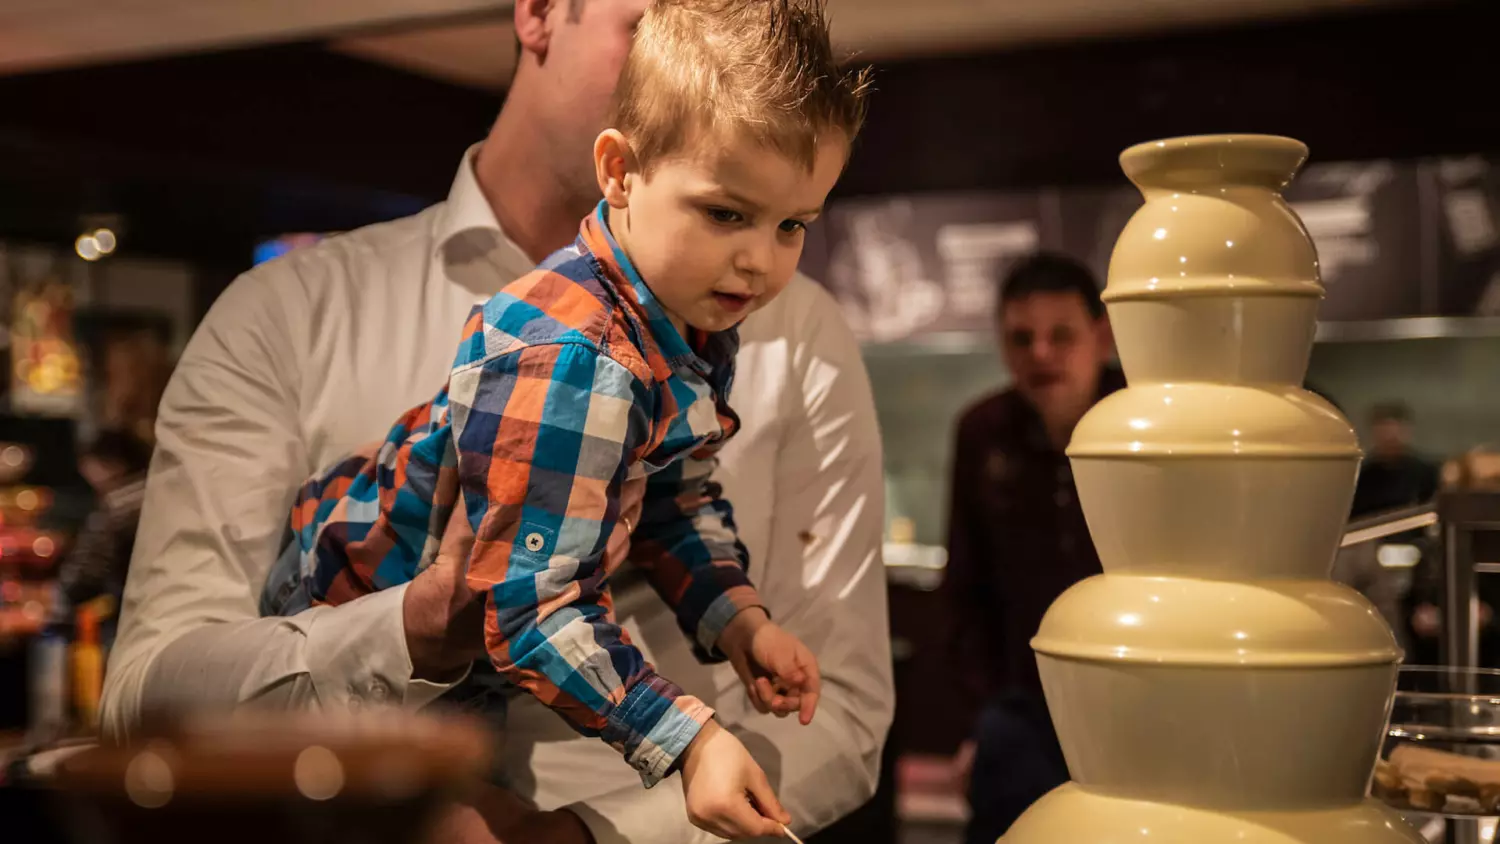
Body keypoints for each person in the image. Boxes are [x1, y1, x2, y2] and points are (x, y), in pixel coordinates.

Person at [101, 0, 893, 841]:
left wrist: (735, 617)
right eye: (659, 17)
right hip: (357, 763)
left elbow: (679, 506)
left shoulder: (712, 319)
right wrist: (684, 739)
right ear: (543, 13)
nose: (760, 256)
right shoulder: (565, 351)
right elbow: (147, 701)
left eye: (792, 225)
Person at [941, 252, 1119, 844]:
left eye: (1060, 335)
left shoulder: (1146, 423)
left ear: (1103, 335)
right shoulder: (982, 431)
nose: (1040, 354)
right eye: (1022, 337)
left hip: (1137, 706)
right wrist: (976, 723)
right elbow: (966, 586)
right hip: (1021, 708)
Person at [57, 430, 153, 633]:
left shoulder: (118, 506)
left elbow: (85, 574)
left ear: (114, 465)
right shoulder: (157, 490)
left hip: (133, 614)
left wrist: (56, 597)